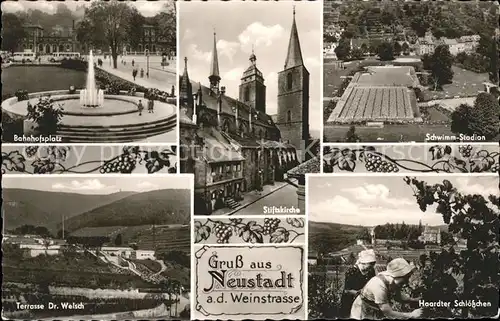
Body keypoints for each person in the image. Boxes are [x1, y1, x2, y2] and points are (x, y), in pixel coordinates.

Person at [350, 258, 423, 320]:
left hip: (373, 309)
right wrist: (411, 315)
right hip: (362, 310)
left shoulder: (392, 281)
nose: (407, 281)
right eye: (405, 278)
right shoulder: (379, 285)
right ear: (397, 275)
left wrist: (414, 300)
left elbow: (398, 296)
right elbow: (388, 313)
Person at [340, 250, 377, 318]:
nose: (372, 267)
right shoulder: (352, 272)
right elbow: (347, 290)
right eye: (370, 264)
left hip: (365, 301)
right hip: (350, 300)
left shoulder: (371, 271)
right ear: (364, 263)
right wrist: (359, 292)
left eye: (373, 264)